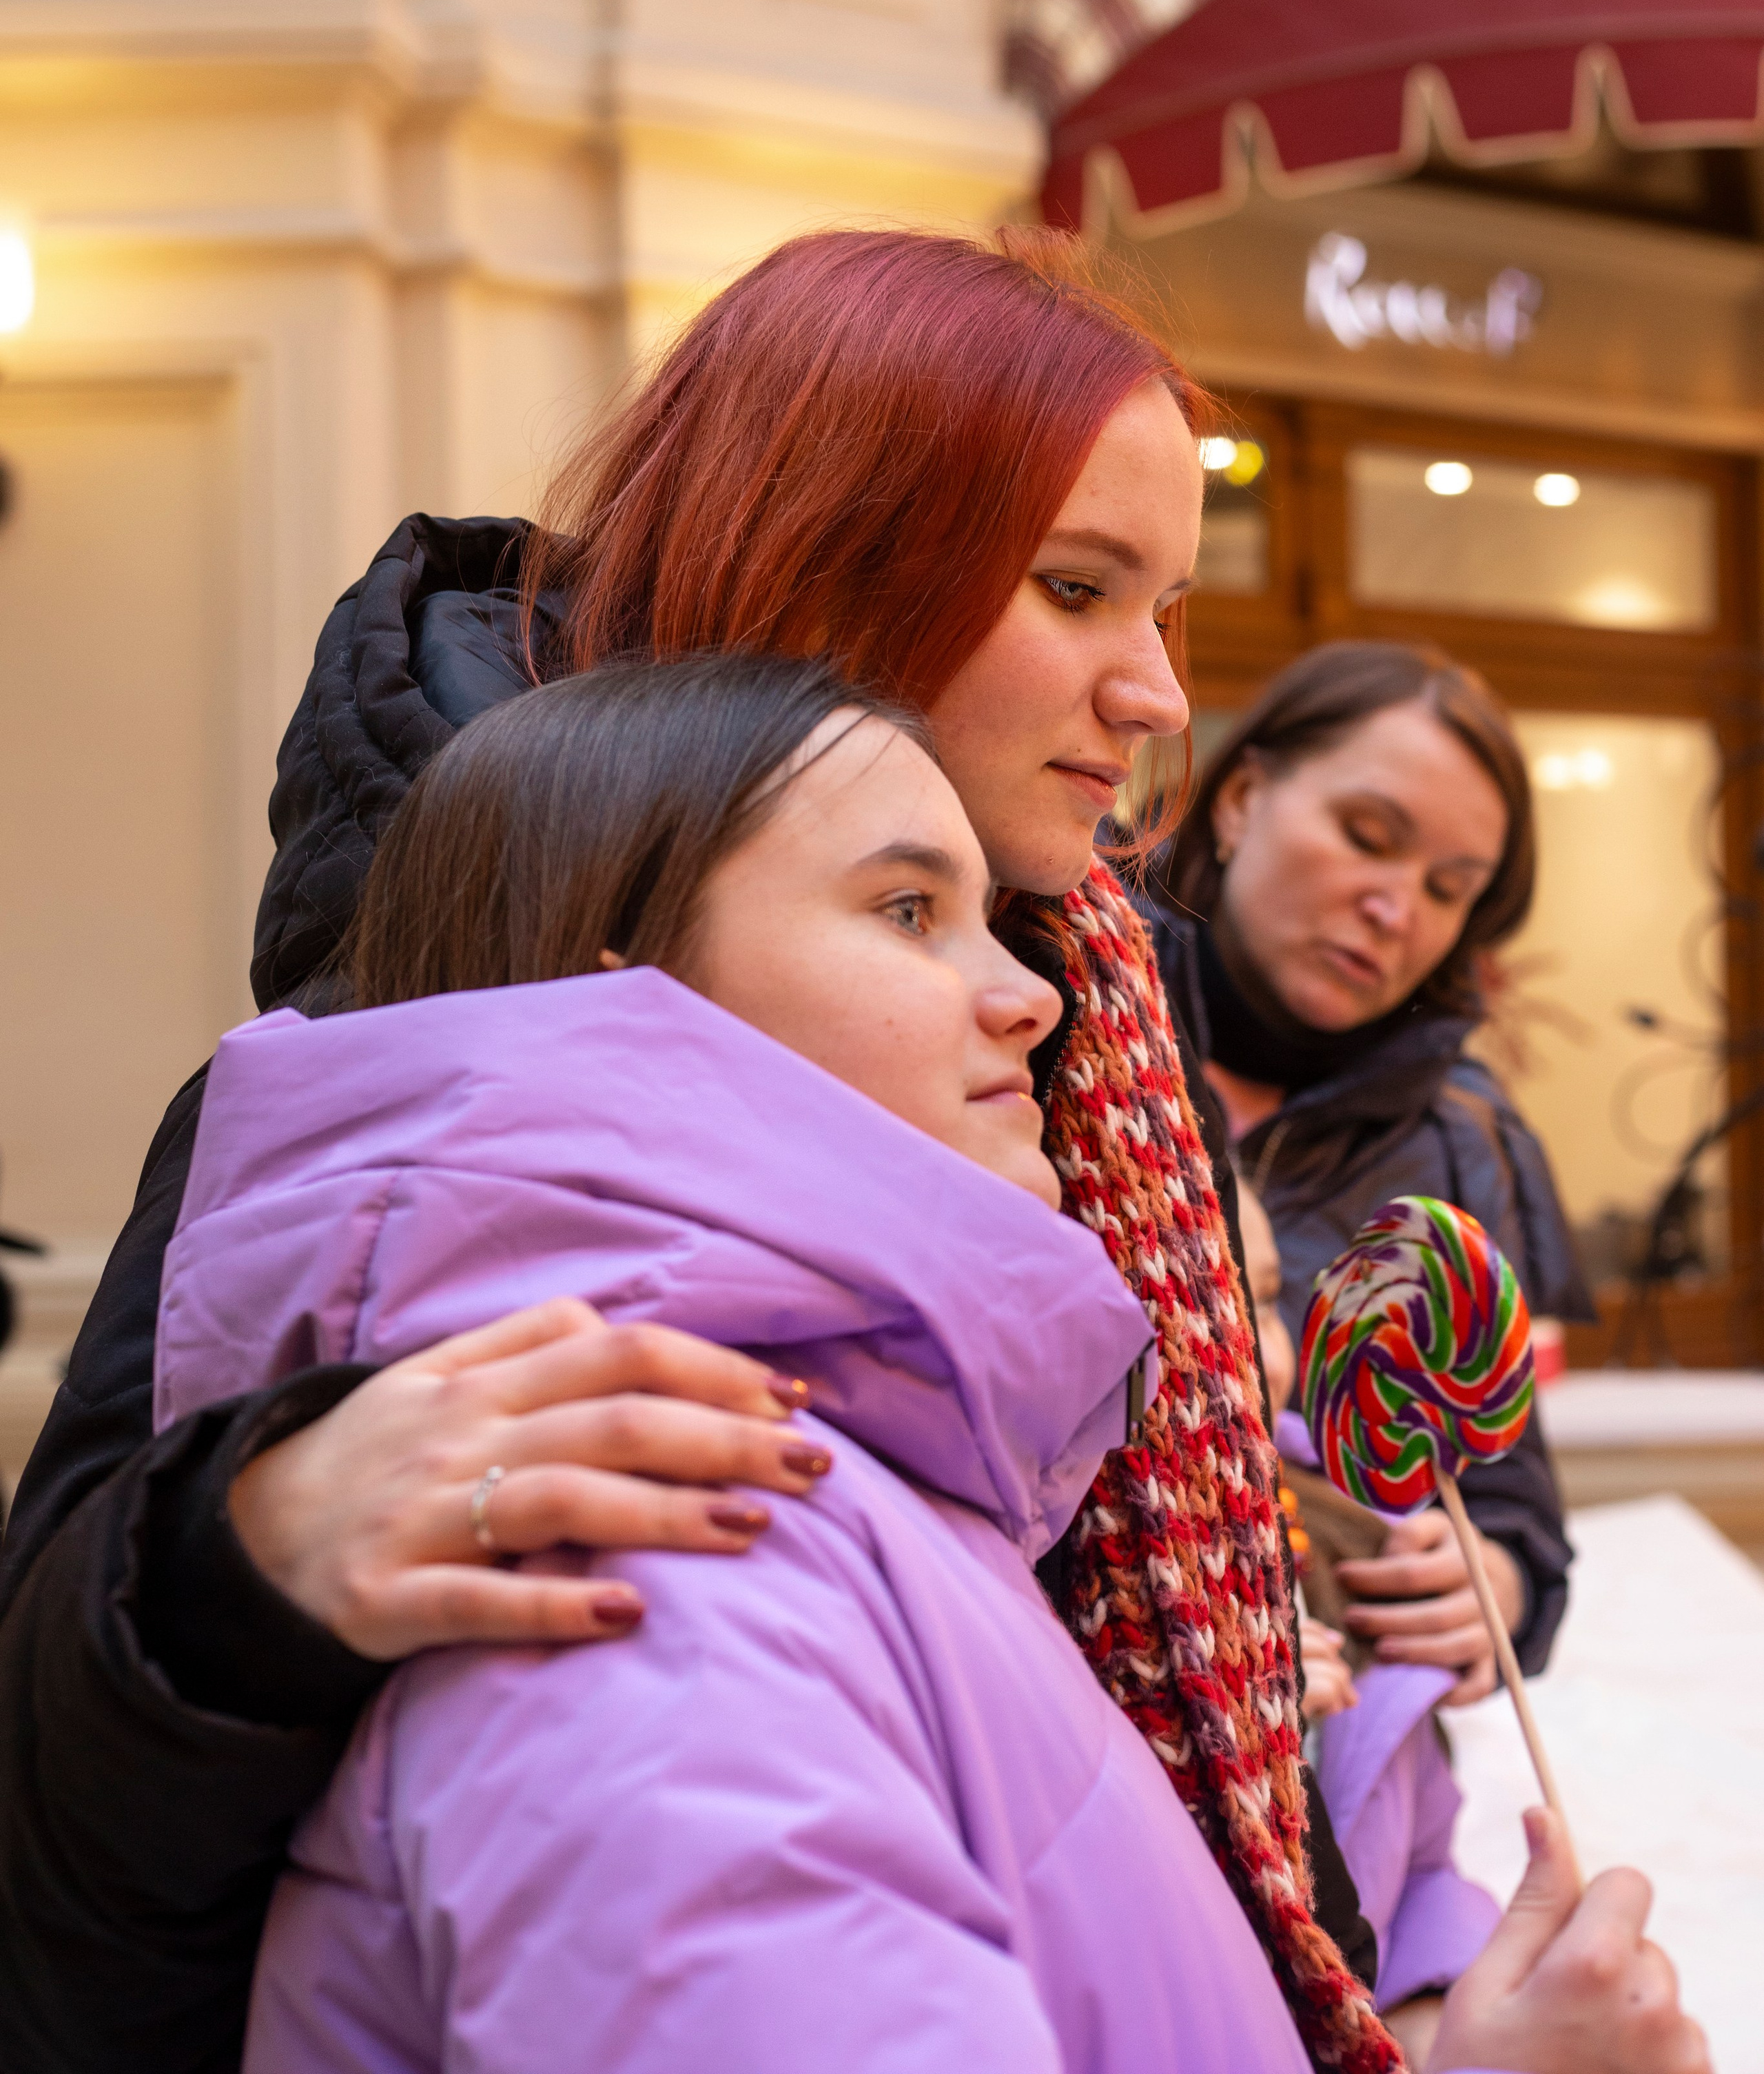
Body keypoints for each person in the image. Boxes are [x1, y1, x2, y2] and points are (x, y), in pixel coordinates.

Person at [0, 232, 1683, 2074]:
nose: (1155, 692)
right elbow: (84, 1818)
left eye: (1167, 608)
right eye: (1075, 588)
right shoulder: (459, 1057)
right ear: (828, 558)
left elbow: (1168, 1717)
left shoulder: (1094, 1010)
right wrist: (238, 1559)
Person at [158, 655, 1706, 2074]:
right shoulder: (655, 1559)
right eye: (908, 911)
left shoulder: (891, 1470)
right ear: (626, 985)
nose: (1038, 1001)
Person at [1147, 642, 1592, 1704]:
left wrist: (1495, 1581)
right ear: (1241, 799)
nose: (1397, 910)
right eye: (1367, 837)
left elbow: (1513, 1501)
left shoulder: (1459, 1139)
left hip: (1342, 1735)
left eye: (1448, 889)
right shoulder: (1050, 1013)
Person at [1238, 1184, 1501, 2068]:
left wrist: (1436, 2008)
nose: (1257, 1350)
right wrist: (1250, 1748)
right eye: (1205, 1296)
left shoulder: (1355, 1555)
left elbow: (1422, 1871)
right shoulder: (1105, 1634)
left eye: (1264, 1298)